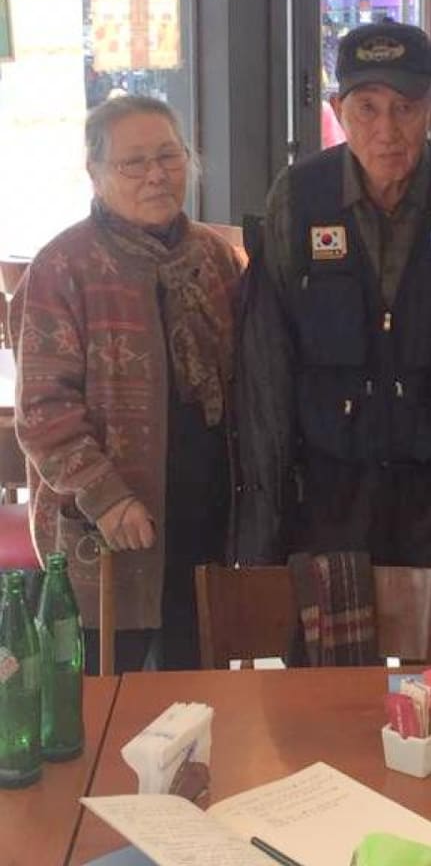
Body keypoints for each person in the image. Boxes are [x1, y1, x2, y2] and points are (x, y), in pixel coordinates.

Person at [236, 20, 431, 663]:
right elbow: (268, 356)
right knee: (328, 683)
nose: (387, 129)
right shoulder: (298, 197)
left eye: (405, 107)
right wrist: (266, 507)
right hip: (332, 486)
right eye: (367, 107)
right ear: (338, 110)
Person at [12, 96, 241, 674]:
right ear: (95, 172)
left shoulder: (214, 258)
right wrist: (106, 497)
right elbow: (43, 410)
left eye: (169, 155)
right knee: (102, 695)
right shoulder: (62, 267)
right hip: (110, 523)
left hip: (205, 515)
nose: (156, 174)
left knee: (197, 693)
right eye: (134, 162)